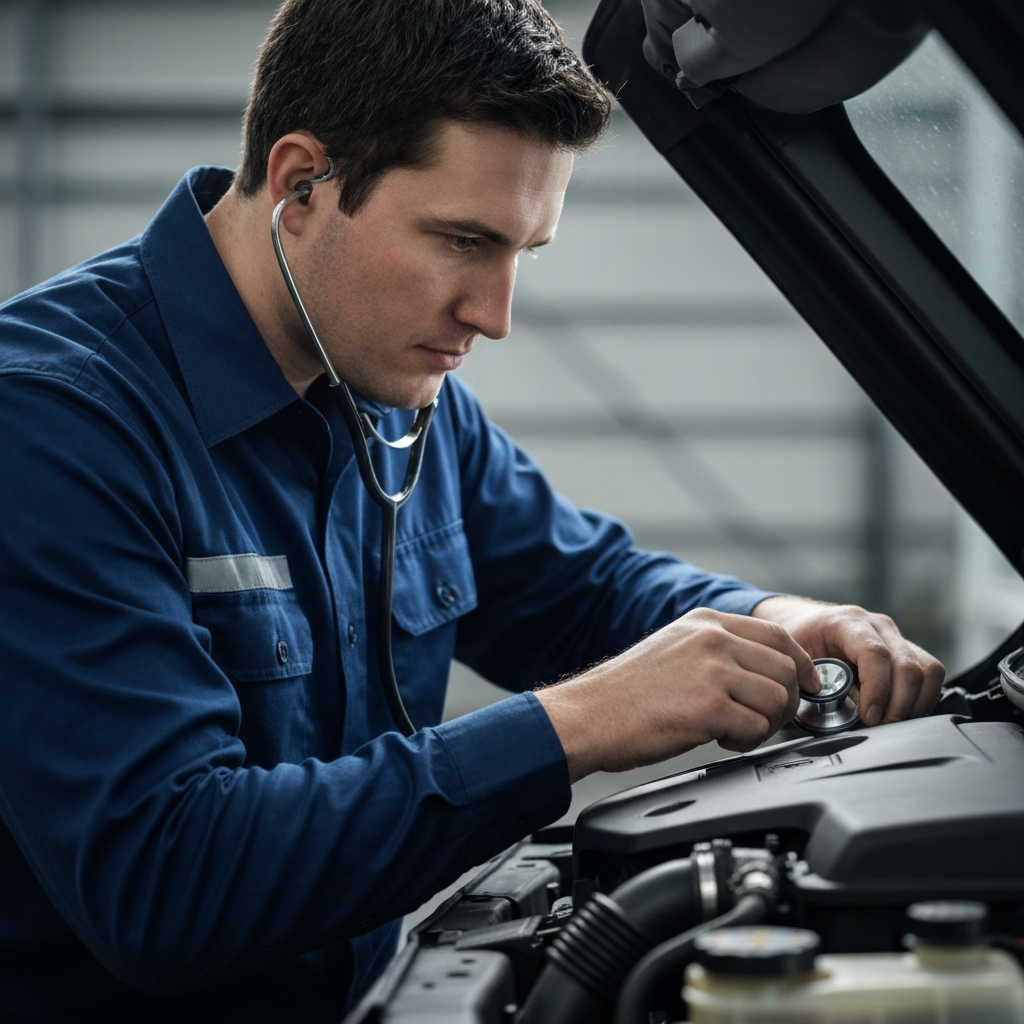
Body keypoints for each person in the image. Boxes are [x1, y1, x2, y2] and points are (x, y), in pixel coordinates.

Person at [0, 0, 944, 1020]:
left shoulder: (394, 395)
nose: (490, 315)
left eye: (522, 254)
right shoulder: (52, 427)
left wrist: (773, 621)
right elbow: (168, 883)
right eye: (461, 240)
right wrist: (576, 723)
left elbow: (586, 586)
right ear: (300, 183)